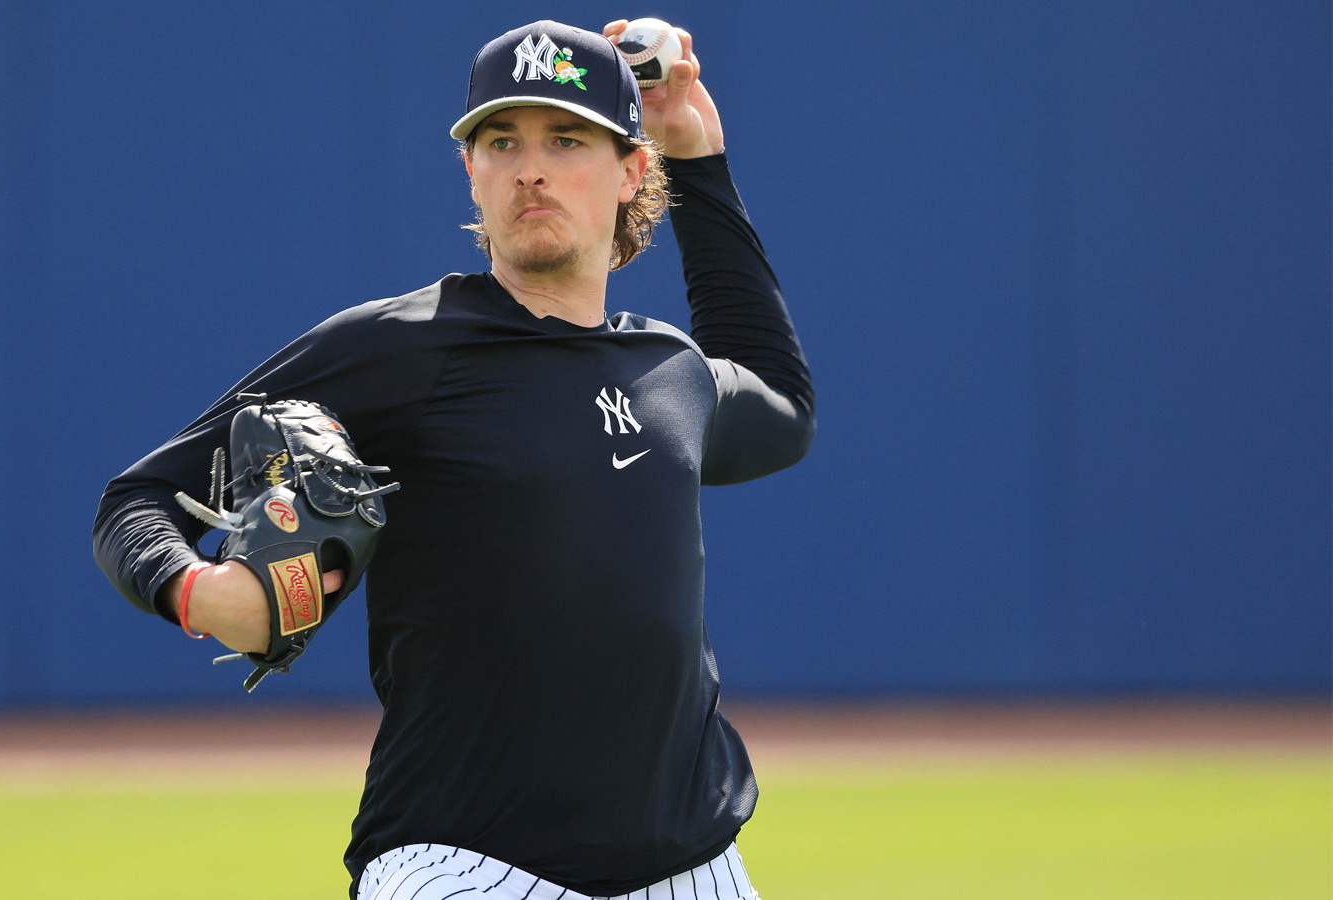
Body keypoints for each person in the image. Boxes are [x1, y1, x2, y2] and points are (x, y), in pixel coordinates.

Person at [94, 18, 814, 900]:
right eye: (500, 140)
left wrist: (698, 159)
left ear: (631, 171)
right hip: (465, 865)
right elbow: (137, 499)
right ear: (471, 171)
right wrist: (198, 591)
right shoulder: (402, 349)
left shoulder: (669, 370)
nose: (530, 168)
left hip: (693, 864)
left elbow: (782, 407)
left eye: (566, 138)